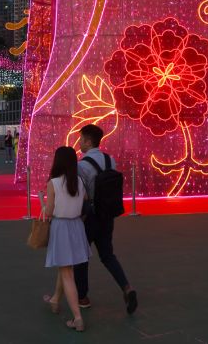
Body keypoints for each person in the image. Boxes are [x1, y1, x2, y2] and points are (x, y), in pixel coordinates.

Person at [74, 124, 137, 314]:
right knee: (108, 255)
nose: (79, 142)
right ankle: (127, 287)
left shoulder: (82, 165)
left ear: (88, 141)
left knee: (81, 257)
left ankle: (82, 297)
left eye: (81, 139)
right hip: (107, 214)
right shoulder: (111, 160)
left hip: (89, 216)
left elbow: (80, 193)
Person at [43, 146, 90, 332]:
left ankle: (77, 318)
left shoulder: (53, 183)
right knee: (67, 268)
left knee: (67, 273)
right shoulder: (78, 181)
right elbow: (85, 200)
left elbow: (48, 211)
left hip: (61, 227)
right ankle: (55, 299)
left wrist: (46, 207)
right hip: (77, 227)